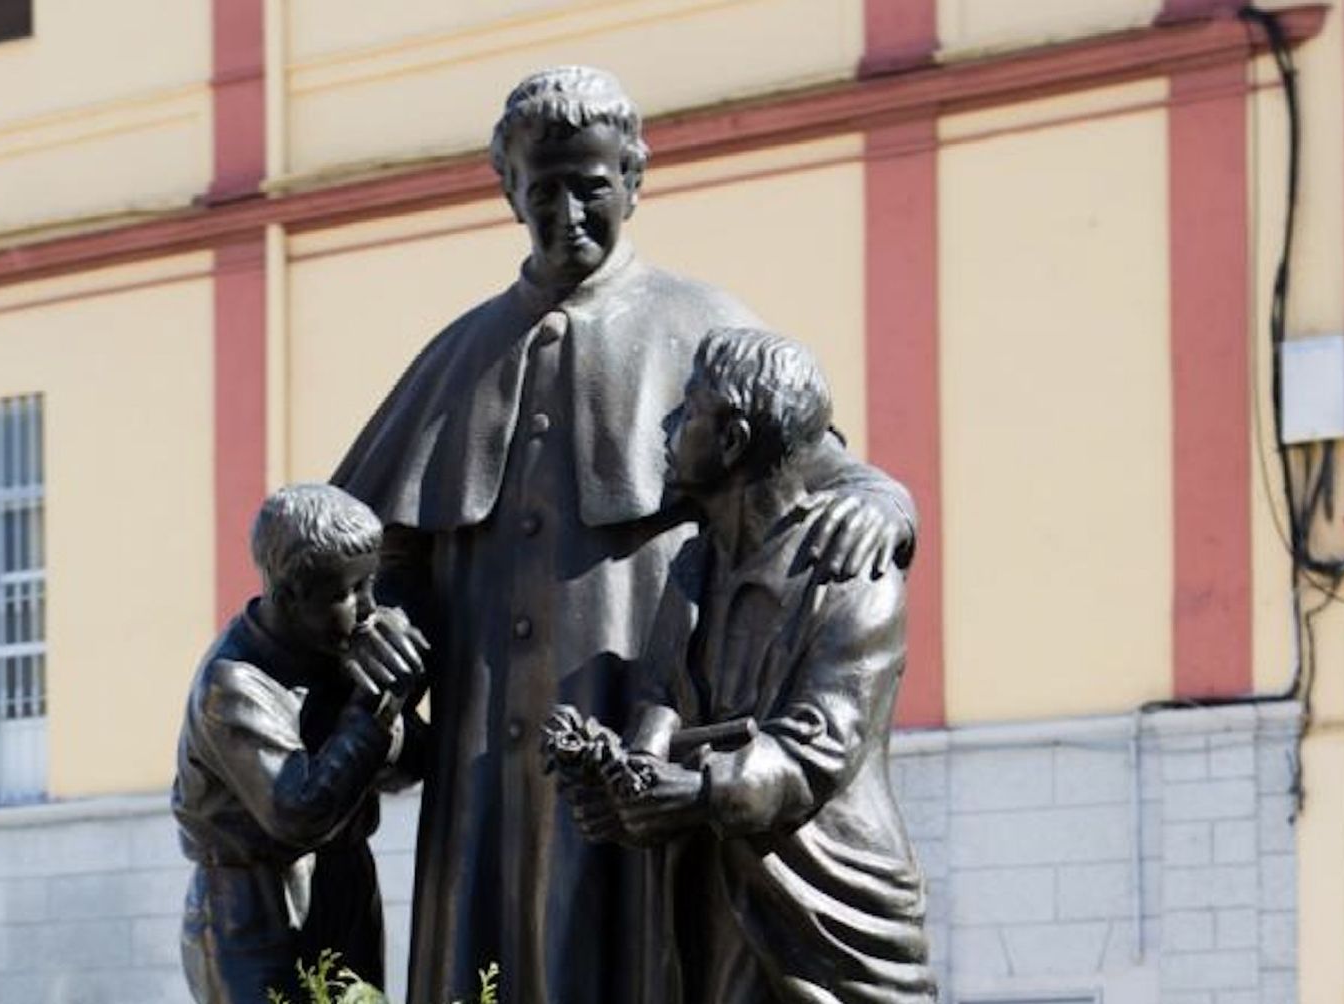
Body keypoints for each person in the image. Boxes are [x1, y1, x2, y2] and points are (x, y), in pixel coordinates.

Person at [333, 66, 916, 1003]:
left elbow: (815, 466)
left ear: (633, 181)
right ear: (509, 192)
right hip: (483, 753)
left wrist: (888, 501)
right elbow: (374, 549)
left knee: (627, 949)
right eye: (543, 190)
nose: (566, 214)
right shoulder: (459, 354)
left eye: (590, 188)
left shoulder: (705, 327)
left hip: (632, 723)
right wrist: (381, 619)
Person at [572, 328, 935, 1003]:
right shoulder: (693, 565)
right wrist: (628, 784)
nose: (670, 426)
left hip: (826, 900)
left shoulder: (850, 573)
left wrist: (698, 789)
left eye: (689, 410)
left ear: (733, 439)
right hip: (711, 894)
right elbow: (660, 695)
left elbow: (819, 744)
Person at [173, 484, 427, 1004]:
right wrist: (373, 712)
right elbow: (299, 812)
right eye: (346, 593)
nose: (367, 607)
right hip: (253, 914)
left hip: (343, 887)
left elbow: (409, 767)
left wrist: (397, 692)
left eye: (370, 584)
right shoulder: (235, 686)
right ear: (288, 596)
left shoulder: (335, 648)